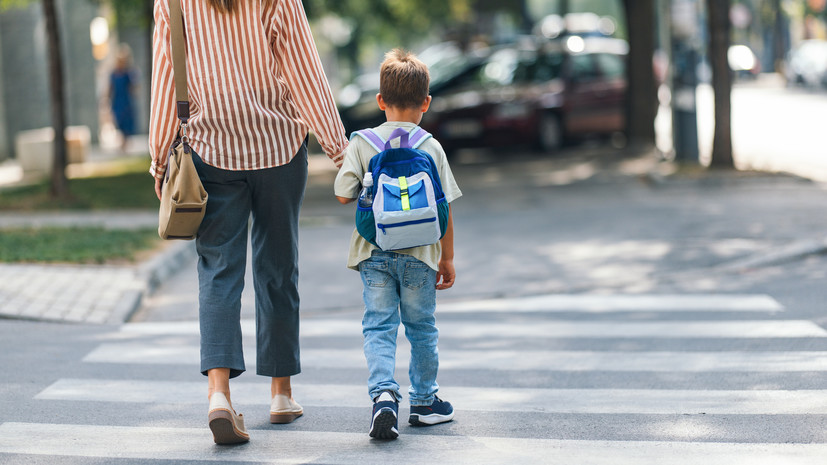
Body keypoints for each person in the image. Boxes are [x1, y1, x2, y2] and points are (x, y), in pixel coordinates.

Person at [148, 0, 348, 445]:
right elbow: (303, 68)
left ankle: (219, 395)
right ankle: (281, 395)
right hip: (278, 145)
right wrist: (339, 150)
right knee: (278, 265)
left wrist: (159, 158)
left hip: (210, 146)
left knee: (218, 269)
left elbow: (166, 76)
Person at [334, 49, 462, 440]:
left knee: (379, 325)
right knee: (421, 327)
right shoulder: (431, 146)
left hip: (373, 253)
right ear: (426, 102)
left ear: (380, 101)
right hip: (421, 255)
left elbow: (342, 195)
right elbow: (444, 208)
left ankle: (384, 395)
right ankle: (424, 402)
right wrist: (447, 258)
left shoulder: (362, 142)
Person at [109, 45, 137, 152]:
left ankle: (125, 143)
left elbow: (133, 87)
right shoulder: (113, 73)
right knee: (119, 121)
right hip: (117, 100)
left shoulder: (128, 73)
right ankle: (122, 141)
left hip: (126, 101)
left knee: (127, 122)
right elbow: (110, 87)